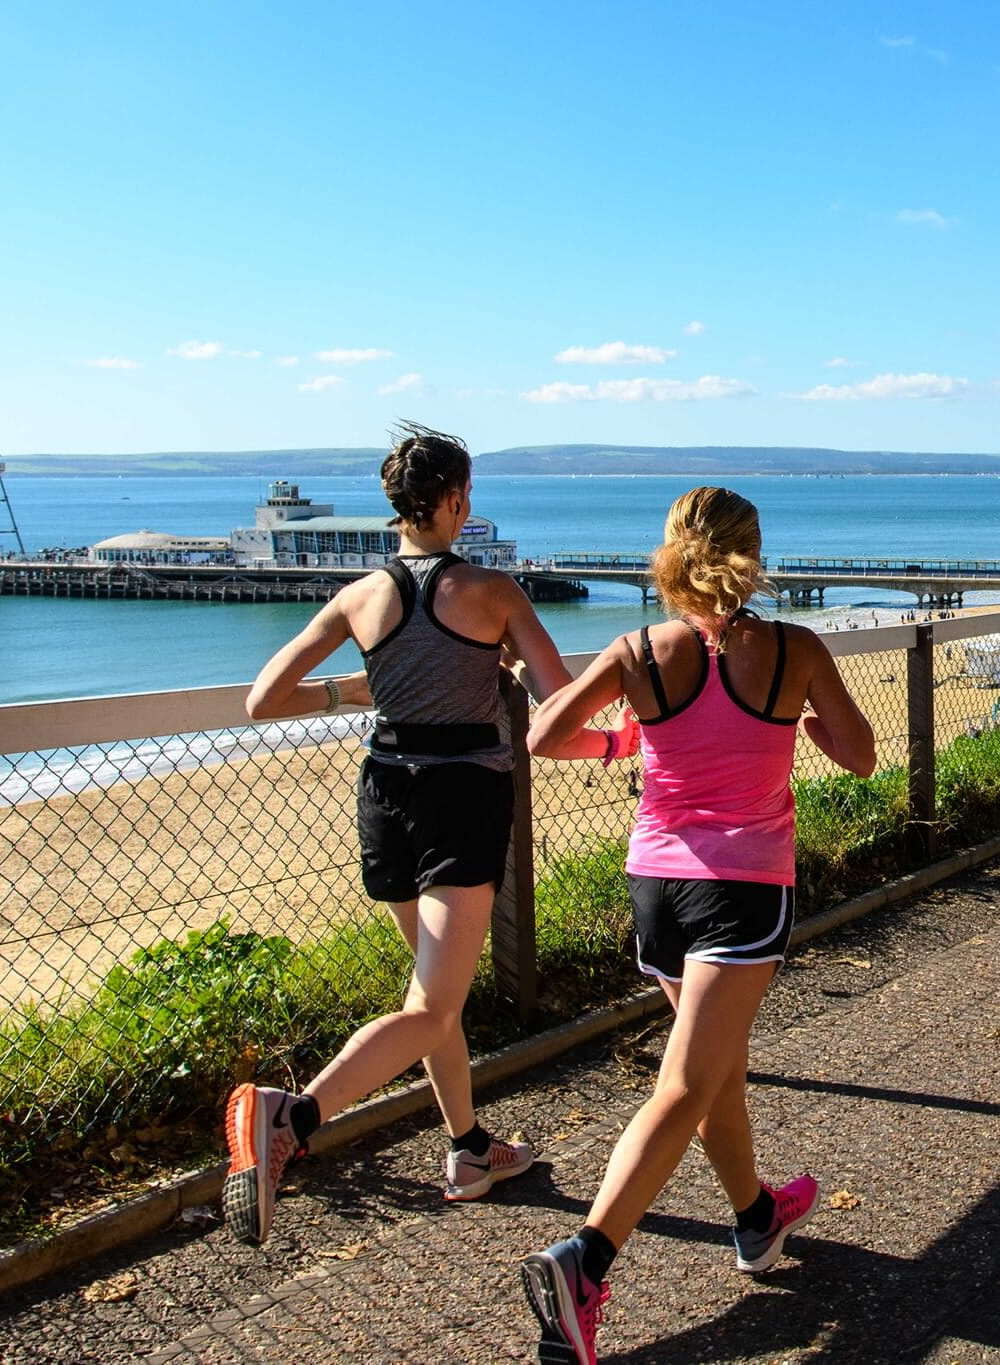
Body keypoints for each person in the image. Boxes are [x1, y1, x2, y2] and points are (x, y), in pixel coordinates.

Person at [520, 486, 874, 1363]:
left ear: (672, 550)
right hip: (742, 890)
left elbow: (544, 736)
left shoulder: (639, 647)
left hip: (657, 887)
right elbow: (862, 754)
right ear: (753, 552)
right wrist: (793, 717)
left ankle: (756, 1216)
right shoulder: (794, 648)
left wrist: (624, 742)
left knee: (715, 1071)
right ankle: (585, 1261)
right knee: (685, 1082)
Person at [221, 424, 575, 1245]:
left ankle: (468, 1149)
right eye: (468, 496)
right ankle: (292, 1115)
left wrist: (353, 691)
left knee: (431, 998)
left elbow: (263, 699)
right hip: (460, 799)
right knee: (433, 1002)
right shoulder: (493, 591)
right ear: (453, 499)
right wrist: (516, 673)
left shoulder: (361, 594)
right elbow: (556, 699)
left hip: (385, 795)